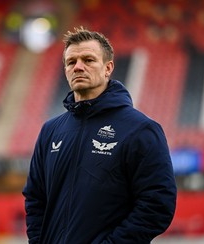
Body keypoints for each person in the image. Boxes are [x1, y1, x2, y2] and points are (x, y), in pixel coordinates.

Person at [22, 26, 177, 243]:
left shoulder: (140, 129)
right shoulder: (50, 131)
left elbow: (158, 204)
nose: (78, 67)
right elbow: (35, 198)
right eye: (71, 62)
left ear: (108, 68)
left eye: (88, 60)